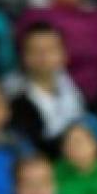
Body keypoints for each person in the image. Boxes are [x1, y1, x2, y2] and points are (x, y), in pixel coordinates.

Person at [8, 22, 86, 154]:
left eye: (50, 50)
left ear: (64, 54)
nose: (43, 56)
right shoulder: (13, 96)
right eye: (35, 51)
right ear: (23, 56)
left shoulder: (72, 85)